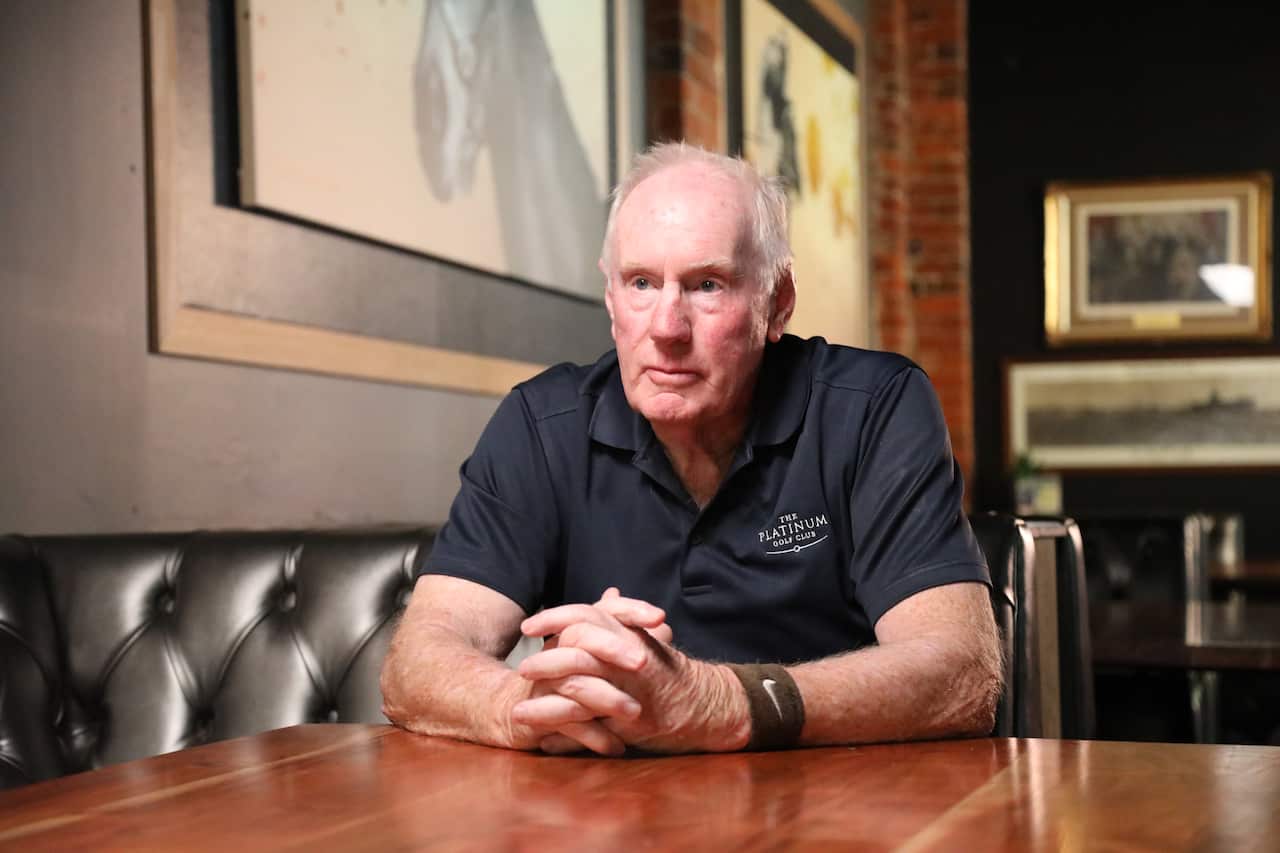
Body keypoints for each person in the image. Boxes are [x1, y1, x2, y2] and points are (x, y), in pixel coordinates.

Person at [381, 143, 1002, 756]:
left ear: (777, 301)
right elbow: (418, 662)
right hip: (612, 810)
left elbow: (961, 675)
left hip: (835, 803)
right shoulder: (542, 425)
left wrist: (717, 704)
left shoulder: (873, 407)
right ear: (610, 300)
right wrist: (525, 710)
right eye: (641, 283)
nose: (667, 329)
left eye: (707, 285)